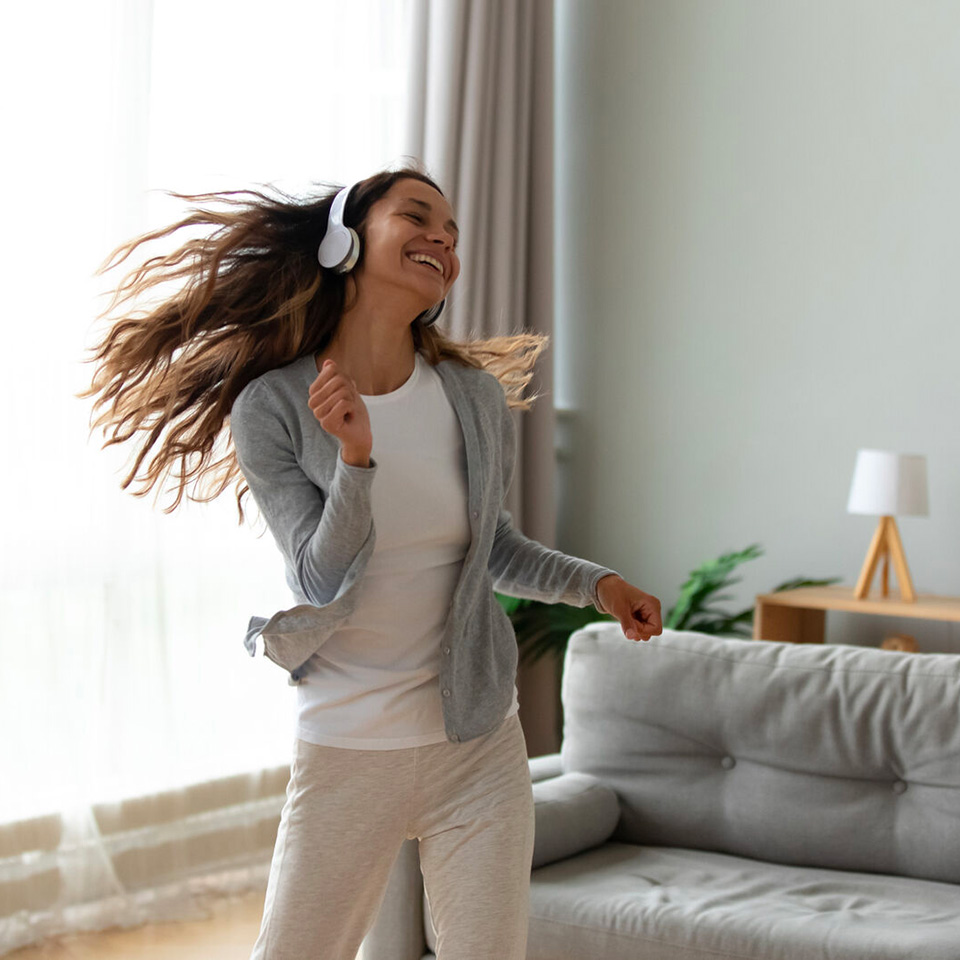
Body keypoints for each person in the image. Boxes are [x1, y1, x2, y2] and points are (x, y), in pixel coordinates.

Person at [80, 162, 663, 960]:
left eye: (453, 235)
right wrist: (356, 459)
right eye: (418, 218)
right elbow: (318, 579)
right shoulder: (274, 405)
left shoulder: (471, 398)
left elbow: (492, 547)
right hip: (350, 746)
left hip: (478, 742)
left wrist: (598, 584)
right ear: (343, 242)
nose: (442, 241)